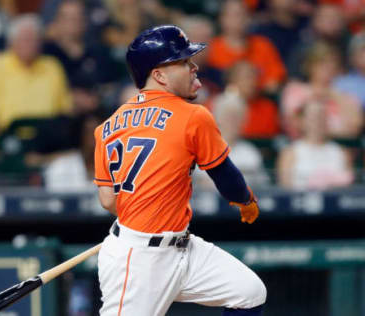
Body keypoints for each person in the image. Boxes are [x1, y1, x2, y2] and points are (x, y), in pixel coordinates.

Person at [94, 25, 266, 316]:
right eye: (184, 62)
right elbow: (225, 176)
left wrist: (143, 211)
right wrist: (245, 201)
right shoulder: (192, 115)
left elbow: (108, 200)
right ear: (159, 75)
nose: (194, 66)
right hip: (141, 260)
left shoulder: (107, 127)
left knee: (248, 293)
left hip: (178, 247)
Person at [0, 14, 72, 131]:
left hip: (49, 137)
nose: (30, 45)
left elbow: (65, 108)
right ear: (12, 42)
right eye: (25, 40)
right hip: (8, 136)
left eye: (35, 40)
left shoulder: (52, 66)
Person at [281, 41, 362, 139]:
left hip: (341, 150)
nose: (329, 68)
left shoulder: (345, 92)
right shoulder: (295, 90)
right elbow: (294, 123)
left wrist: (334, 95)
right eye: (323, 63)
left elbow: (355, 126)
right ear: (310, 65)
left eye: (333, 63)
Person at [206, 0, 286, 94]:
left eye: (244, 14)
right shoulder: (211, 49)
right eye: (234, 15)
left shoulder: (263, 45)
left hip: (259, 102)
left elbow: (274, 82)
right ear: (222, 19)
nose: (240, 19)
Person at [277, 100, 353, 190]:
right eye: (313, 117)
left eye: (322, 116)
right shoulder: (289, 153)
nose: (318, 121)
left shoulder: (342, 152)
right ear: (302, 121)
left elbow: (349, 191)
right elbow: (285, 192)